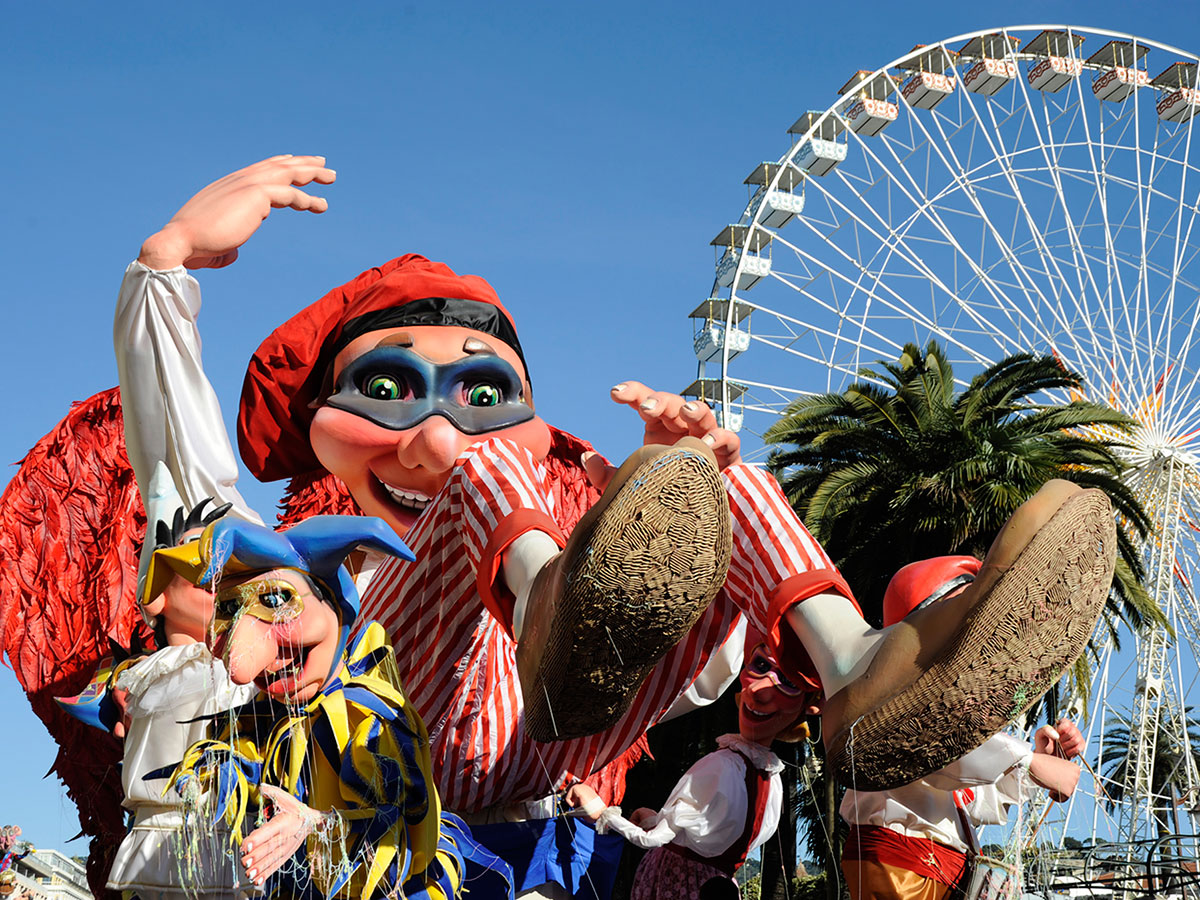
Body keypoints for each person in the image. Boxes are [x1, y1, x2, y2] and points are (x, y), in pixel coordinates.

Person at [110, 155, 1115, 898]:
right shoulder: (306, 578)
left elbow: (713, 674)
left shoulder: (539, 485)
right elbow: (184, 477)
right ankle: (553, 604)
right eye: (385, 391)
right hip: (410, 749)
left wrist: (677, 488)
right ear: (317, 431)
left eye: (482, 390)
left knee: (729, 475)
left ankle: (858, 666)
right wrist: (165, 268)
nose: (434, 428)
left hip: (553, 761)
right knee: (481, 480)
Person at [147, 514, 501, 900]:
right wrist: (219, 774)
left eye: (276, 601)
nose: (244, 670)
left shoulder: (368, 715)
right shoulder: (271, 719)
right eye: (229, 611)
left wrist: (314, 825)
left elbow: (400, 829)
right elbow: (247, 769)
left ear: (329, 603)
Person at [839, 557, 1085, 900]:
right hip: (904, 868)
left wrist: (1034, 762)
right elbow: (932, 737)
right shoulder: (898, 696)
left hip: (933, 868)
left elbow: (973, 796)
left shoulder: (947, 712)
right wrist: (1029, 763)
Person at [564, 635, 818, 899]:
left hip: (678, 885)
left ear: (807, 707)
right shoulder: (770, 780)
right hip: (717, 887)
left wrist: (600, 811)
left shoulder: (724, 766)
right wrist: (654, 819)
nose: (759, 691)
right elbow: (708, 841)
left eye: (787, 683)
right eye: (760, 665)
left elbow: (651, 841)